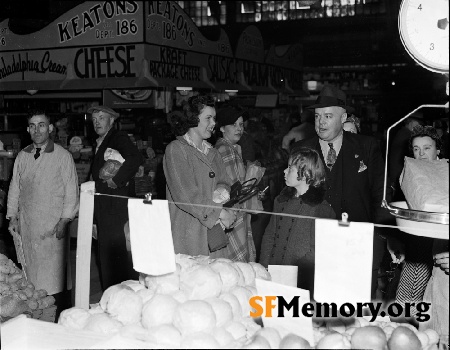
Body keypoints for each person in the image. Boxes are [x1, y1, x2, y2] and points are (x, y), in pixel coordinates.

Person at [291, 85, 391, 300]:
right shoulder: (302, 149)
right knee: (318, 307)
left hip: (358, 243)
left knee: (357, 306)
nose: (321, 122)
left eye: (328, 116)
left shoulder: (367, 146)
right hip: (314, 245)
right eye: (318, 116)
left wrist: (380, 238)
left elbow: (380, 194)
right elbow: (292, 198)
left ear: (343, 117)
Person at [7, 109, 79, 318]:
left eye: (41, 125)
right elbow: (15, 188)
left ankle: (59, 316)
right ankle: (36, 314)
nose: (37, 130)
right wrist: (12, 216)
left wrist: (65, 220)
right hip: (28, 226)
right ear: (28, 130)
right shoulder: (23, 156)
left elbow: (71, 190)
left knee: (55, 277)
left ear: (50, 128)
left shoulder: (62, 156)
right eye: (32, 125)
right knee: (31, 275)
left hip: (53, 227)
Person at [163, 94, 237, 258]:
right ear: (192, 119)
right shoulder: (176, 150)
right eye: (208, 118)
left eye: (214, 118)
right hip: (188, 235)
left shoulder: (213, 152)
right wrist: (220, 213)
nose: (213, 124)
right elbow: (186, 195)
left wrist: (222, 191)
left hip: (214, 235)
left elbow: (224, 181)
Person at [259, 147, 335, 297]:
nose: (284, 172)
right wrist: (264, 269)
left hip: (302, 282)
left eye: (290, 168)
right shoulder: (280, 201)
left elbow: (318, 252)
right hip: (273, 275)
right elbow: (269, 237)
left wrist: (291, 273)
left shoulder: (321, 209)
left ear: (306, 173)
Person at [391, 126, 448, 326]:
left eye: (427, 147)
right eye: (416, 149)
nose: (421, 153)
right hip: (417, 245)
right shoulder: (410, 174)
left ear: (438, 150)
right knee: (408, 304)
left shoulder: (446, 172)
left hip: (443, 247)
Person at [89, 105, 143, 291]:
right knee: (110, 256)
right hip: (105, 209)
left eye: (102, 118)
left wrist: (117, 180)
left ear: (112, 120)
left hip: (115, 208)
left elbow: (134, 158)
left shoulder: (117, 137)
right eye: (94, 119)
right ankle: (114, 295)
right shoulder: (102, 141)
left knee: (115, 257)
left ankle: (118, 295)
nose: (97, 122)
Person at [215, 106, 256, 262]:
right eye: (234, 124)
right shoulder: (224, 149)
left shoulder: (233, 148)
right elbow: (233, 189)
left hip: (234, 213)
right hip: (232, 214)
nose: (239, 129)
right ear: (222, 128)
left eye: (241, 124)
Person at [388, 114, 423, 201]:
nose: (420, 127)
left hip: (397, 174)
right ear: (411, 123)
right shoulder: (407, 135)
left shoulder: (403, 133)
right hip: (400, 176)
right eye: (418, 124)